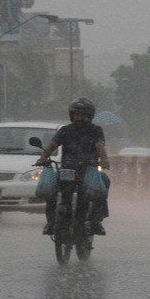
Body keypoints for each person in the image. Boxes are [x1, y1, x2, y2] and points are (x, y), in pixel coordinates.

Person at [36, 97, 111, 236]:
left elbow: (99, 146)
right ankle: (51, 222)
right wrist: (42, 158)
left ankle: (96, 220)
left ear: (90, 116)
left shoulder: (95, 130)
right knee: (51, 191)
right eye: (77, 114)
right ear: (72, 115)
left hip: (88, 169)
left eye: (84, 115)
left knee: (104, 181)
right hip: (67, 170)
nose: (80, 118)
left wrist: (104, 160)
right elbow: (52, 145)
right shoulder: (65, 130)